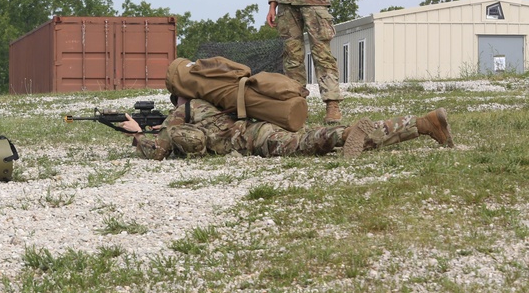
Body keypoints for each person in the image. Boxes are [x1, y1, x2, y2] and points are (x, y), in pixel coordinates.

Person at [120, 96, 454, 161]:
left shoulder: (182, 113)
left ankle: (346, 133)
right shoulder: (207, 101)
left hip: (256, 142)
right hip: (258, 127)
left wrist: (136, 135)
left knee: (315, 142)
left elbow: (160, 148)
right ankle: (422, 124)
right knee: (308, 138)